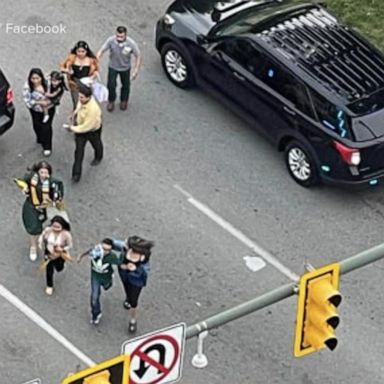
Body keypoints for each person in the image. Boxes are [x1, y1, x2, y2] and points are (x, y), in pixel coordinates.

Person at [15, 161, 64, 261]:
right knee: (33, 229)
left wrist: (56, 199)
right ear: (37, 172)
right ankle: (33, 246)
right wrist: (24, 188)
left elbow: (59, 194)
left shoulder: (53, 182)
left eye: (46, 172)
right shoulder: (31, 178)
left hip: (48, 207)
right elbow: (23, 182)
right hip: (32, 206)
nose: (44, 175)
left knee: (55, 224)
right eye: (41, 172)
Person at [113, 236, 153, 333]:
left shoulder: (143, 258)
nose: (125, 243)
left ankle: (133, 320)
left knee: (134, 301)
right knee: (127, 290)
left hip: (136, 280)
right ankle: (128, 298)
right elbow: (113, 244)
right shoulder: (125, 248)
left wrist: (136, 269)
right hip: (124, 275)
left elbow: (145, 273)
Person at [77, 238, 122, 325]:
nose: (105, 251)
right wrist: (80, 256)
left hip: (106, 277)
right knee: (94, 298)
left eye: (108, 250)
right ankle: (95, 314)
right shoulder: (95, 250)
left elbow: (120, 264)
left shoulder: (111, 257)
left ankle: (109, 282)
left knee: (107, 287)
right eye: (103, 248)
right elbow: (87, 252)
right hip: (96, 277)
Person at [97, 26, 142, 112]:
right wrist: (98, 57)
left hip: (125, 68)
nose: (119, 38)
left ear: (125, 35)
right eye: (118, 36)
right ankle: (111, 100)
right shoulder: (111, 40)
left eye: (121, 37)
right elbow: (102, 49)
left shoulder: (131, 43)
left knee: (125, 85)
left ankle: (124, 100)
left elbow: (138, 56)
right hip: (113, 67)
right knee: (111, 85)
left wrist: (136, 70)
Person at [69, 86, 103, 183]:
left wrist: (72, 128)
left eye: (82, 97)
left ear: (89, 97)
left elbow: (87, 126)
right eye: (79, 96)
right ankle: (76, 174)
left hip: (92, 131)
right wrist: (74, 114)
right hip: (81, 129)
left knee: (96, 144)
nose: (80, 99)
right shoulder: (83, 101)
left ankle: (98, 156)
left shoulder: (93, 109)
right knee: (78, 152)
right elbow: (79, 107)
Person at [23, 68, 57, 156]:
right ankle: (40, 138)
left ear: (41, 78)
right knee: (37, 125)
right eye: (33, 78)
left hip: (49, 109)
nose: (35, 81)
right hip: (36, 110)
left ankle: (47, 147)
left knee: (47, 127)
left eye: (37, 78)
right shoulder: (27, 87)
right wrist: (39, 102)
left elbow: (56, 93)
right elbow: (27, 102)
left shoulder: (48, 83)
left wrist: (50, 101)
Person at [38, 216, 73, 295]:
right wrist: (40, 243)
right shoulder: (48, 230)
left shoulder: (66, 234)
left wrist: (62, 249)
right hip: (49, 251)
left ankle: (60, 266)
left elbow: (70, 245)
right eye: (54, 226)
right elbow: (42, 236)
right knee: (49, 269)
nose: (55, 228)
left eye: (58, 227)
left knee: (59, 267)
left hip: (60, 253)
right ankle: (49, 285)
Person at [60, 41, 99, 109]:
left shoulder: (91, 60)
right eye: (78, 51)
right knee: (76, 102)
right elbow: (62, 67)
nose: (80, 53)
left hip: (86, 84)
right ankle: (76, 115)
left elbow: (96, 70)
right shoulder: (72, 58)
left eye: (83, 51)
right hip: (74, 83)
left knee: (86, 101)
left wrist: (93, 77)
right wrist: (67, 70)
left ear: (86, 51)